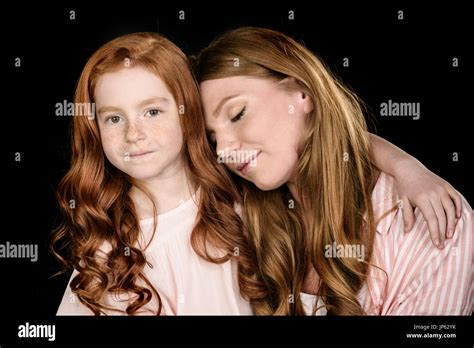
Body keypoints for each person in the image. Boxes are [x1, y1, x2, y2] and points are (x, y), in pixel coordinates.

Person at [194, 27, 473, 315]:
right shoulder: (236, 217)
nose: (223, 150)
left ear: (302, 93)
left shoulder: (432, 222)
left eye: (237, 114)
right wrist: (401, 161)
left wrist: (403, 165)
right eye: (212, 138)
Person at [51, 32, 254, 315]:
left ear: (187, 110)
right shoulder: (106, 255)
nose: (133, 134)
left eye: (153, 112)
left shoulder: (244, 207)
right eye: (114, 118)